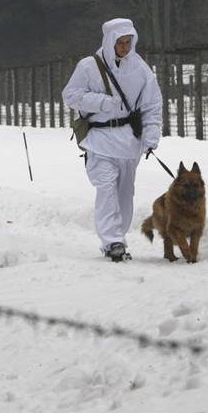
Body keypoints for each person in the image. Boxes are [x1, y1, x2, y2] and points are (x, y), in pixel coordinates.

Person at [62, 18, 163, 262]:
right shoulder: (88, 66)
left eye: (128, 42)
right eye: (120, 42)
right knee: (106, 189)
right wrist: (102, 103)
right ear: (110, 42)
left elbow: (152, 103)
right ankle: (113, 241)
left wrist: (151, 135)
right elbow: (71, 95)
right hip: (99, 139)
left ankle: (118, 234)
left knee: (125, 193)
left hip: (129, 143)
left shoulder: (140, 69)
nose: (125, 47)